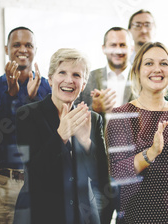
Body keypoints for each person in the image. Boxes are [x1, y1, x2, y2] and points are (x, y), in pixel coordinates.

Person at [106, 42, 168, 223]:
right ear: (136, 71)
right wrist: (150, 153)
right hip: (140, 214)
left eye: (164, 63)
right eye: (149, 63)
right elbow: (118, 172)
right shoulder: (121, 115)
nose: (157, 69)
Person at [16, 48, 104, 223]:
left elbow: (101, 177)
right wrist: (61, 136)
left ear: (84, 84)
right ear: (50, 79)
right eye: (62, 72)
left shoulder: (92, 118)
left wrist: (86, 142)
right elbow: (34, 172)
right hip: (41, 213)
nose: (69, 80)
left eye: (77, 75)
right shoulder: (27, 115)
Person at [0, 26, 51, 224]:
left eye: (28, 45)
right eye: (16, 44)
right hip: (5, 181)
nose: (22, 49)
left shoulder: (46, 87)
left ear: (36, 49)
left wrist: (31, 100)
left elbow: (50, 134)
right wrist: (11, 96)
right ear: (6, 48)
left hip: (38, 180)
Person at [75, 26, 131, 224]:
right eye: (113, 45)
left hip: (131, 171)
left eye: (123, 45)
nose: (118, 50)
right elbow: (73, 117)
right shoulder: (87, 78)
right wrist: (94, 109)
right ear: (103, 48)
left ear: (131, 48)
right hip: (97, 170)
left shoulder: (143, 78)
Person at [128, 9, 168, 105]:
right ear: (129, 31)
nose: (143, 30)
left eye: (148, 25)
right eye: (137, 25)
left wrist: (160, 83)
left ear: (155, 29)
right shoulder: (123, 62)